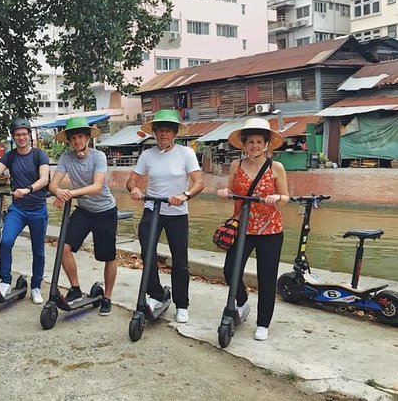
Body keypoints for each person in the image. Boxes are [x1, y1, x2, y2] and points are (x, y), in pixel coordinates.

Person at [126, 109, 204, 323]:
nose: (163, 135)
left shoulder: (186, 154)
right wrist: (134, 189)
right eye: (160, 130)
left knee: (180, 260)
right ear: (154, 133)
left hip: (177, 212)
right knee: (147, 254)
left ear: (175, 133)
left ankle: (182, 304)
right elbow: (132, 181)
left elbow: (199, 182)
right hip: (153, 209)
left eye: (168, 130)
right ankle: (156, 294)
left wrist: (185, 195)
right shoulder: (147, 155)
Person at [217, 117, 288, 341]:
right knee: (230, 270)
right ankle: (242, 301)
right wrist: (224, 192)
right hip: (242, 227)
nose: (254, 146)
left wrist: (277, 197)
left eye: (259, 142)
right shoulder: (236, 166)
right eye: (250, 142)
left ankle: (263, 323)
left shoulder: (276, 167)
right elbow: (230, 189)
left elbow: (286, 197)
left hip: (270, 231)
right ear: (244, 144)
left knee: (266, 278)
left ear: (266, 144)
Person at [0, 118, 49, 304]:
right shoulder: (10, 156)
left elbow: (44, 179)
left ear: (29, 135)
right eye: (17, 135)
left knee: (38, 250)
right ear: (13, 137)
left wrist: (27, 189)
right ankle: (5, 281)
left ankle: (36, 286)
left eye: (24, 134)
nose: (21, 137)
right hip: (18, 209)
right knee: (5, 242)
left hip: (38, 209)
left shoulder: (40, 155)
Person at [49, 116, 117, 316]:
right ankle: (75, 289)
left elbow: (97, 187)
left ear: (87, 138)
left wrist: (69, 193)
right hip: (84, 210)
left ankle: (108, 297)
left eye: (80, 137)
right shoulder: (66, 158)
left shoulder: (98, 157)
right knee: (63, 246)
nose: (77, 141)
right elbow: (53, 184)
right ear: (68, 141)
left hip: (105, 210)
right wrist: (58, 192)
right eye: (73, 138)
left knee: (108, 255)